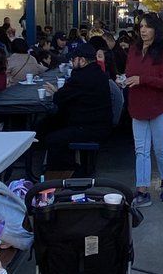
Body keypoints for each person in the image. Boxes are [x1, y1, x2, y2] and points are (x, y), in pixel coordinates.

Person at [121, 14, 163, 207]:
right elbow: (130, 72)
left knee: (160, 148)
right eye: (141, 26)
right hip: (138, 106)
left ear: (156, 30)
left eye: (147, 27)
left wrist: (142, 79)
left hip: (160, 107)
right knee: (141, 150)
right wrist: (126, 79)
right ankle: (142, 191)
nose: (143, 30)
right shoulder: (134, 50)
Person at [38, 42, 113, 175]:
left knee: (53, 139)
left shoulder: (80, 77)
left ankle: (68, 172)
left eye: (74, 59)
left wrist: (56, 92)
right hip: (99, 123)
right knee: (48, 125)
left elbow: (60, 98)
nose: (72, 62)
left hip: (88, 127)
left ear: (82, 60)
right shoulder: (98, 73)